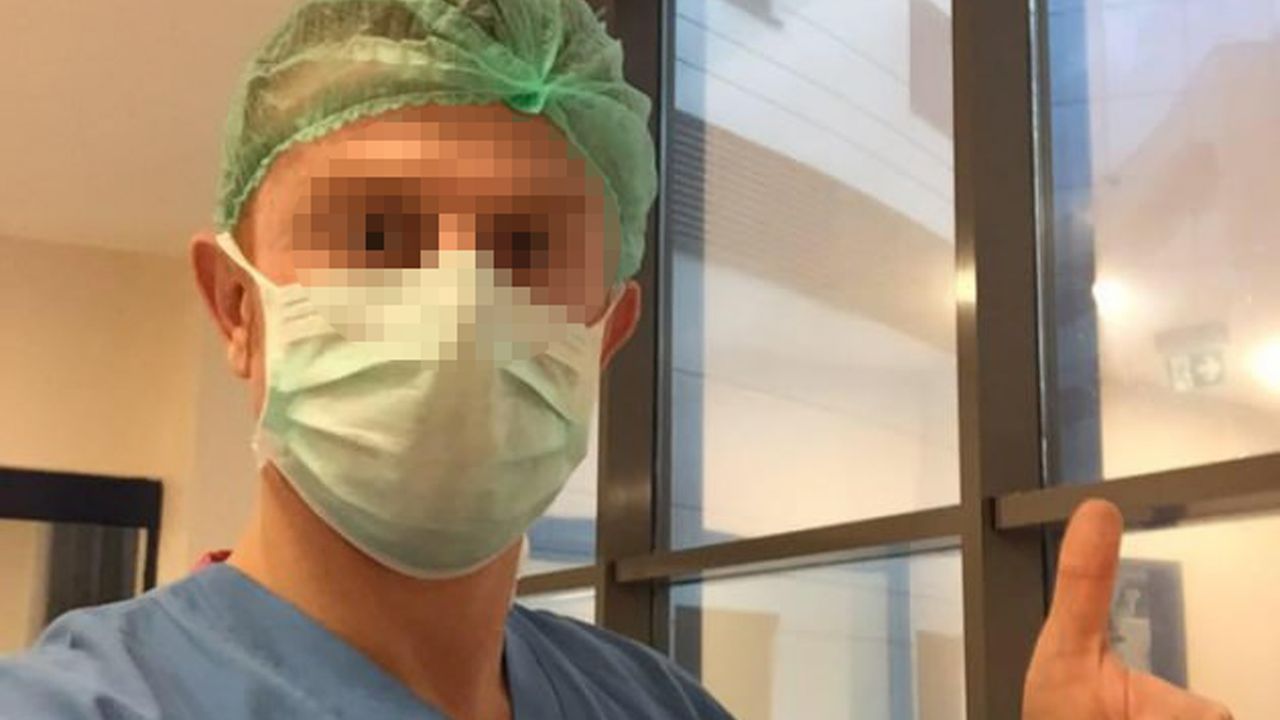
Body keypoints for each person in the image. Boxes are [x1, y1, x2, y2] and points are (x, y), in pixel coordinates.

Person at [0, 1, 1234, 718]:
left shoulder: (656, 706)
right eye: (375, 234)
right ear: (237, 307)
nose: (458, 303)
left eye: (527, 247)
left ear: (606, 335)